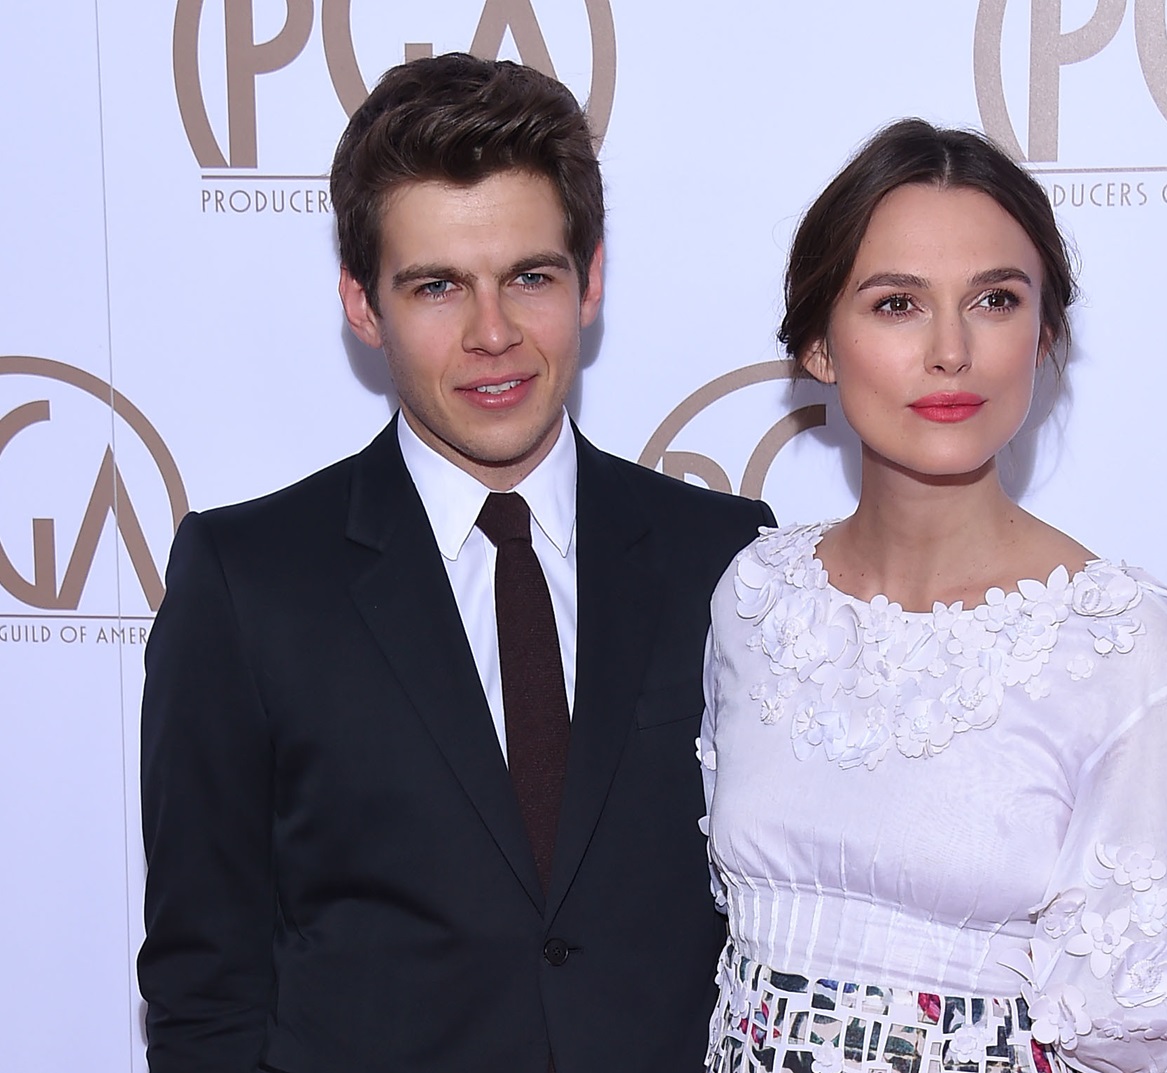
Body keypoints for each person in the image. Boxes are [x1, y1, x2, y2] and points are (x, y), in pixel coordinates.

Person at [138, 52, 773, 1073]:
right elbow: (203, 981)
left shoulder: (727, 557)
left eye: (529, 275)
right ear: (361, 302)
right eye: (436, 286)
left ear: (590, 280)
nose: (492, 332)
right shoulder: (247, 579)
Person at [699, 119, 1167, 1073]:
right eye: (897, 303)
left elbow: (1166, 1040)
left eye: (993, 299)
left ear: (1043, 334)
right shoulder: (756, 598)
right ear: (819, 343)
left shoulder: (1118, 644)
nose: (952, 350)